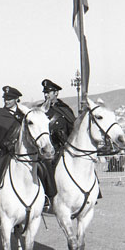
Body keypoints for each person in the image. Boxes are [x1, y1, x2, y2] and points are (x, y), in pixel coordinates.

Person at [37, 78, 76, 209]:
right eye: (45, 93)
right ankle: (48, 196)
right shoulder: (40, 110)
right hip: (47, 149)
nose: (46, 95)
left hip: (63, 147)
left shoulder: (65, 109)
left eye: (49, 92)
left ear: (56, 93)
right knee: (44, 167)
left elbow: (73, 130)